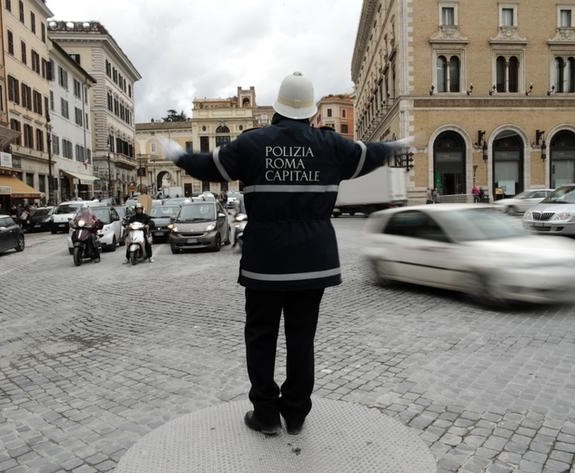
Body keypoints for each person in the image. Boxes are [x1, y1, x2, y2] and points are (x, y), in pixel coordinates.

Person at [162, 72, 412, 436]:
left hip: (266, 261)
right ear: (311, 113)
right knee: (301, 338)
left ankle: (265, 412)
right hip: (314, 262)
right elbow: (369, 153)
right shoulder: (330, 146)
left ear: (278, 106)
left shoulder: (252, 144)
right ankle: (295, 414)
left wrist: (179, 155)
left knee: (261, 336)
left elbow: (208, 167)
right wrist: (397, 145)